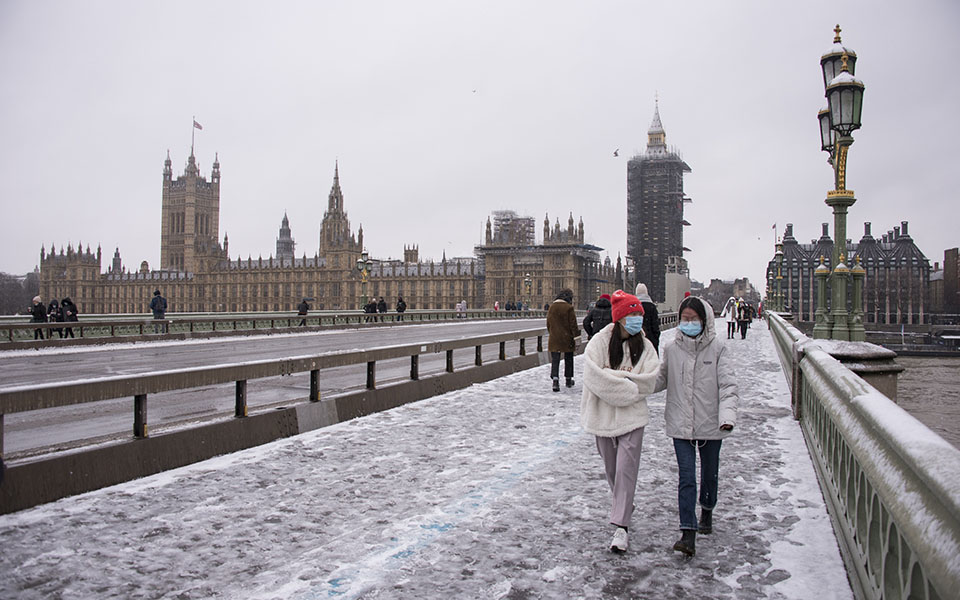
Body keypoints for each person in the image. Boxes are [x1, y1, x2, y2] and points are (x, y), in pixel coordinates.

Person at [655, 295, 739, 557]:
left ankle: (707, 508)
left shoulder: (718, 349)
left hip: (711, 422)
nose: (687, 323)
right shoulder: (671, 348)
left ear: (704, 320)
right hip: (681, 422)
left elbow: (727, 386)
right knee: (687, 477)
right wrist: (630, 385)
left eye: (693, 319)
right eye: (684, 319)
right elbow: (660, 380)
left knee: (709, 474)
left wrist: (727, 417)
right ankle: (687, 532)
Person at [581, 290, 660, 554]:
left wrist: (611, 378)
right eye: (634, 314)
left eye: (640, 314)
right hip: (601, 415)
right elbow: (593, 377)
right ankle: (624, 503)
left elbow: (649, 380)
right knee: (612, 469)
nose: (639, 318)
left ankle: (621, 526)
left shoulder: (645, 346)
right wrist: (626, 385)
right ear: (621, 317)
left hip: (632, 416)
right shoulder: (599, 343)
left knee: (626, 468)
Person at [546, 288, 580, 392]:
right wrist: (576, 337)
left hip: (554, 338)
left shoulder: (552, 307)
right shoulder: (568, 308)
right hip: (567, 338)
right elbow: (573, 324)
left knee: (555, 360)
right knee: (568, 358)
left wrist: (553, 333)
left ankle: (555, 380)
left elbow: (548, 323)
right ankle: (568, 379)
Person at [635, 283, 661, 353]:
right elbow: (656, 326)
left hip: (637, 340)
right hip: (651, 340)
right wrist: (655, 340)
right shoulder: (652, 306)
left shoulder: (634, 306)